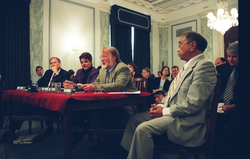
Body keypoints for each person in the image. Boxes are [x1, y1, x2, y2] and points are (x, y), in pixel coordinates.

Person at [120, 31, 217, 159]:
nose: (178, 49)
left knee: (143, 128)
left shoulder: (204, 66)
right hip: (174, 114)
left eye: (180, 44)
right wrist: (159, 105)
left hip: (187, 121)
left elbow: (194, 104)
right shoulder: (186, 68)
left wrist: (164, 111)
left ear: (192, 45)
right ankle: (128, 154)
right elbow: (170, 95)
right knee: (134, 119)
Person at [82, 46, 138, 129]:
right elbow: (94, 84)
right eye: (101, 57)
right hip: (109, 101)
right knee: (94, 110)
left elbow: (119, 85)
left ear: (114, 58)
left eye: (105, 56)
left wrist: (95, 87)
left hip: (127, 101)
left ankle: (129, 139)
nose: (102, 59)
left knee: (123, 112)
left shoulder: (122, 67)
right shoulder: (102, 70)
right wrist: (78, 86)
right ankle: (104, 138)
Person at [215, 41, 239, 159]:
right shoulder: (225, 68)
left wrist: (234, 106)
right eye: (229, 56)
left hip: (237, 109)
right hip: (221, 105)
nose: (231, 59)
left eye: (234, 56)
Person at [37, 57, 70, 136]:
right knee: (45, 104)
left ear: (60, 64)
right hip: (47, 97)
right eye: (51, 63)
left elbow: (64, 85)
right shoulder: (48, 72)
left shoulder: (65, 73)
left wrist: (55, 74)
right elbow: (39, 82)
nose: (53, 65)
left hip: (59, 99)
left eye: (55, 63)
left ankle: (53, 125)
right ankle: (50, 126)